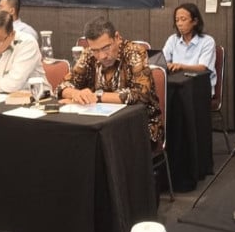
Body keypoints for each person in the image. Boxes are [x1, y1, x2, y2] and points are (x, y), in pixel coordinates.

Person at [58, 16, 163, 146]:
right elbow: (62, 87)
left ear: (117, 37)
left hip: (139, 127)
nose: (102, 56)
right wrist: (76, 94)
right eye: (95, 50)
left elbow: (141, 95)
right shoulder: (89, 54)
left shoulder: (134, 52)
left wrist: (97, 97)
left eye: (106, 48)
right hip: (102, 125)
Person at [163, 2, 217, 94]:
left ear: (195, 21)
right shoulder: (173, 39)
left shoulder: (207, 41)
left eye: (183, 19)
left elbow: (203, 68)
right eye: (177, 20)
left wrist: (181, 66)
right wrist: (166, 65)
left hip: (199, 87)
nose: (179, 24)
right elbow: (162, 61)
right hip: (176, 86)